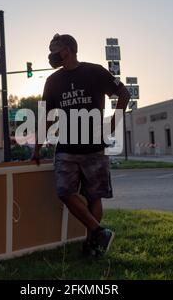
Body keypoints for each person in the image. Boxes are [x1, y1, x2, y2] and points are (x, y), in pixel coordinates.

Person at [31, 34, 130, 257]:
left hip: (94, 145)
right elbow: (46, 116)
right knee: (65, 192)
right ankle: (99, 231)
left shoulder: (95, 71)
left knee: (94, 196)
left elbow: (124, 93)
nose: (50, 54)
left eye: (53, 48)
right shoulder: (52, 81)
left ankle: (92, 244)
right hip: (66, 147)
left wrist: (114, 123)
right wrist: (37, 147)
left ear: (67, 49)